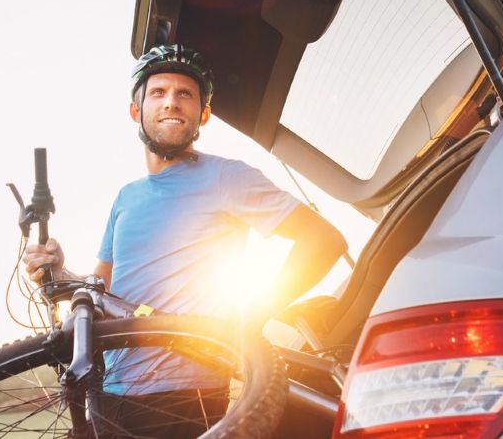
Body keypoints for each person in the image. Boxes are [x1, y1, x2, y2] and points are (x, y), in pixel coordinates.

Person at [23, 44, 346, 436]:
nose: (171, 103)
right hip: (110, 393)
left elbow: (323, 241)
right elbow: (103, 292)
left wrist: (249, 320)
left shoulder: (227, 177)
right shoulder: (126, 197)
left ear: (203, 115)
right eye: (158, 93)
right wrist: (56, 271)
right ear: (135, 111)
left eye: (185, 94)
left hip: (183, 395)